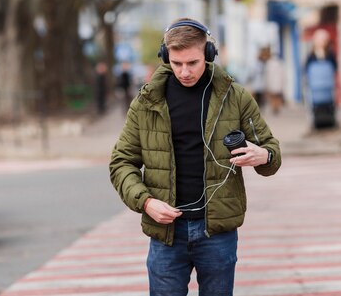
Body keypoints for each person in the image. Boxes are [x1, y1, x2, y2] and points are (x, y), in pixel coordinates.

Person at [109, 18, 281, 295]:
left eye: (193, 63)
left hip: (217, 233)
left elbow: (272, 151)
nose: (184, 71)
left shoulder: (234, 97)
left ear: (209, 55)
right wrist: (146, 202)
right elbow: (121, 163)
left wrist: (263, 156)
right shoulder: (146, 101)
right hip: (166, 234)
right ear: (165, 57)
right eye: (176, 63)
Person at [305, 28, 338, 130]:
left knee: (330, 104)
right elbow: (306, 68)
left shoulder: (330, 53)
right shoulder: (311, 55)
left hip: (327, 85)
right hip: (315, 86)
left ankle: (330, 121)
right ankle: (316, 122)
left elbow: (335, 67)